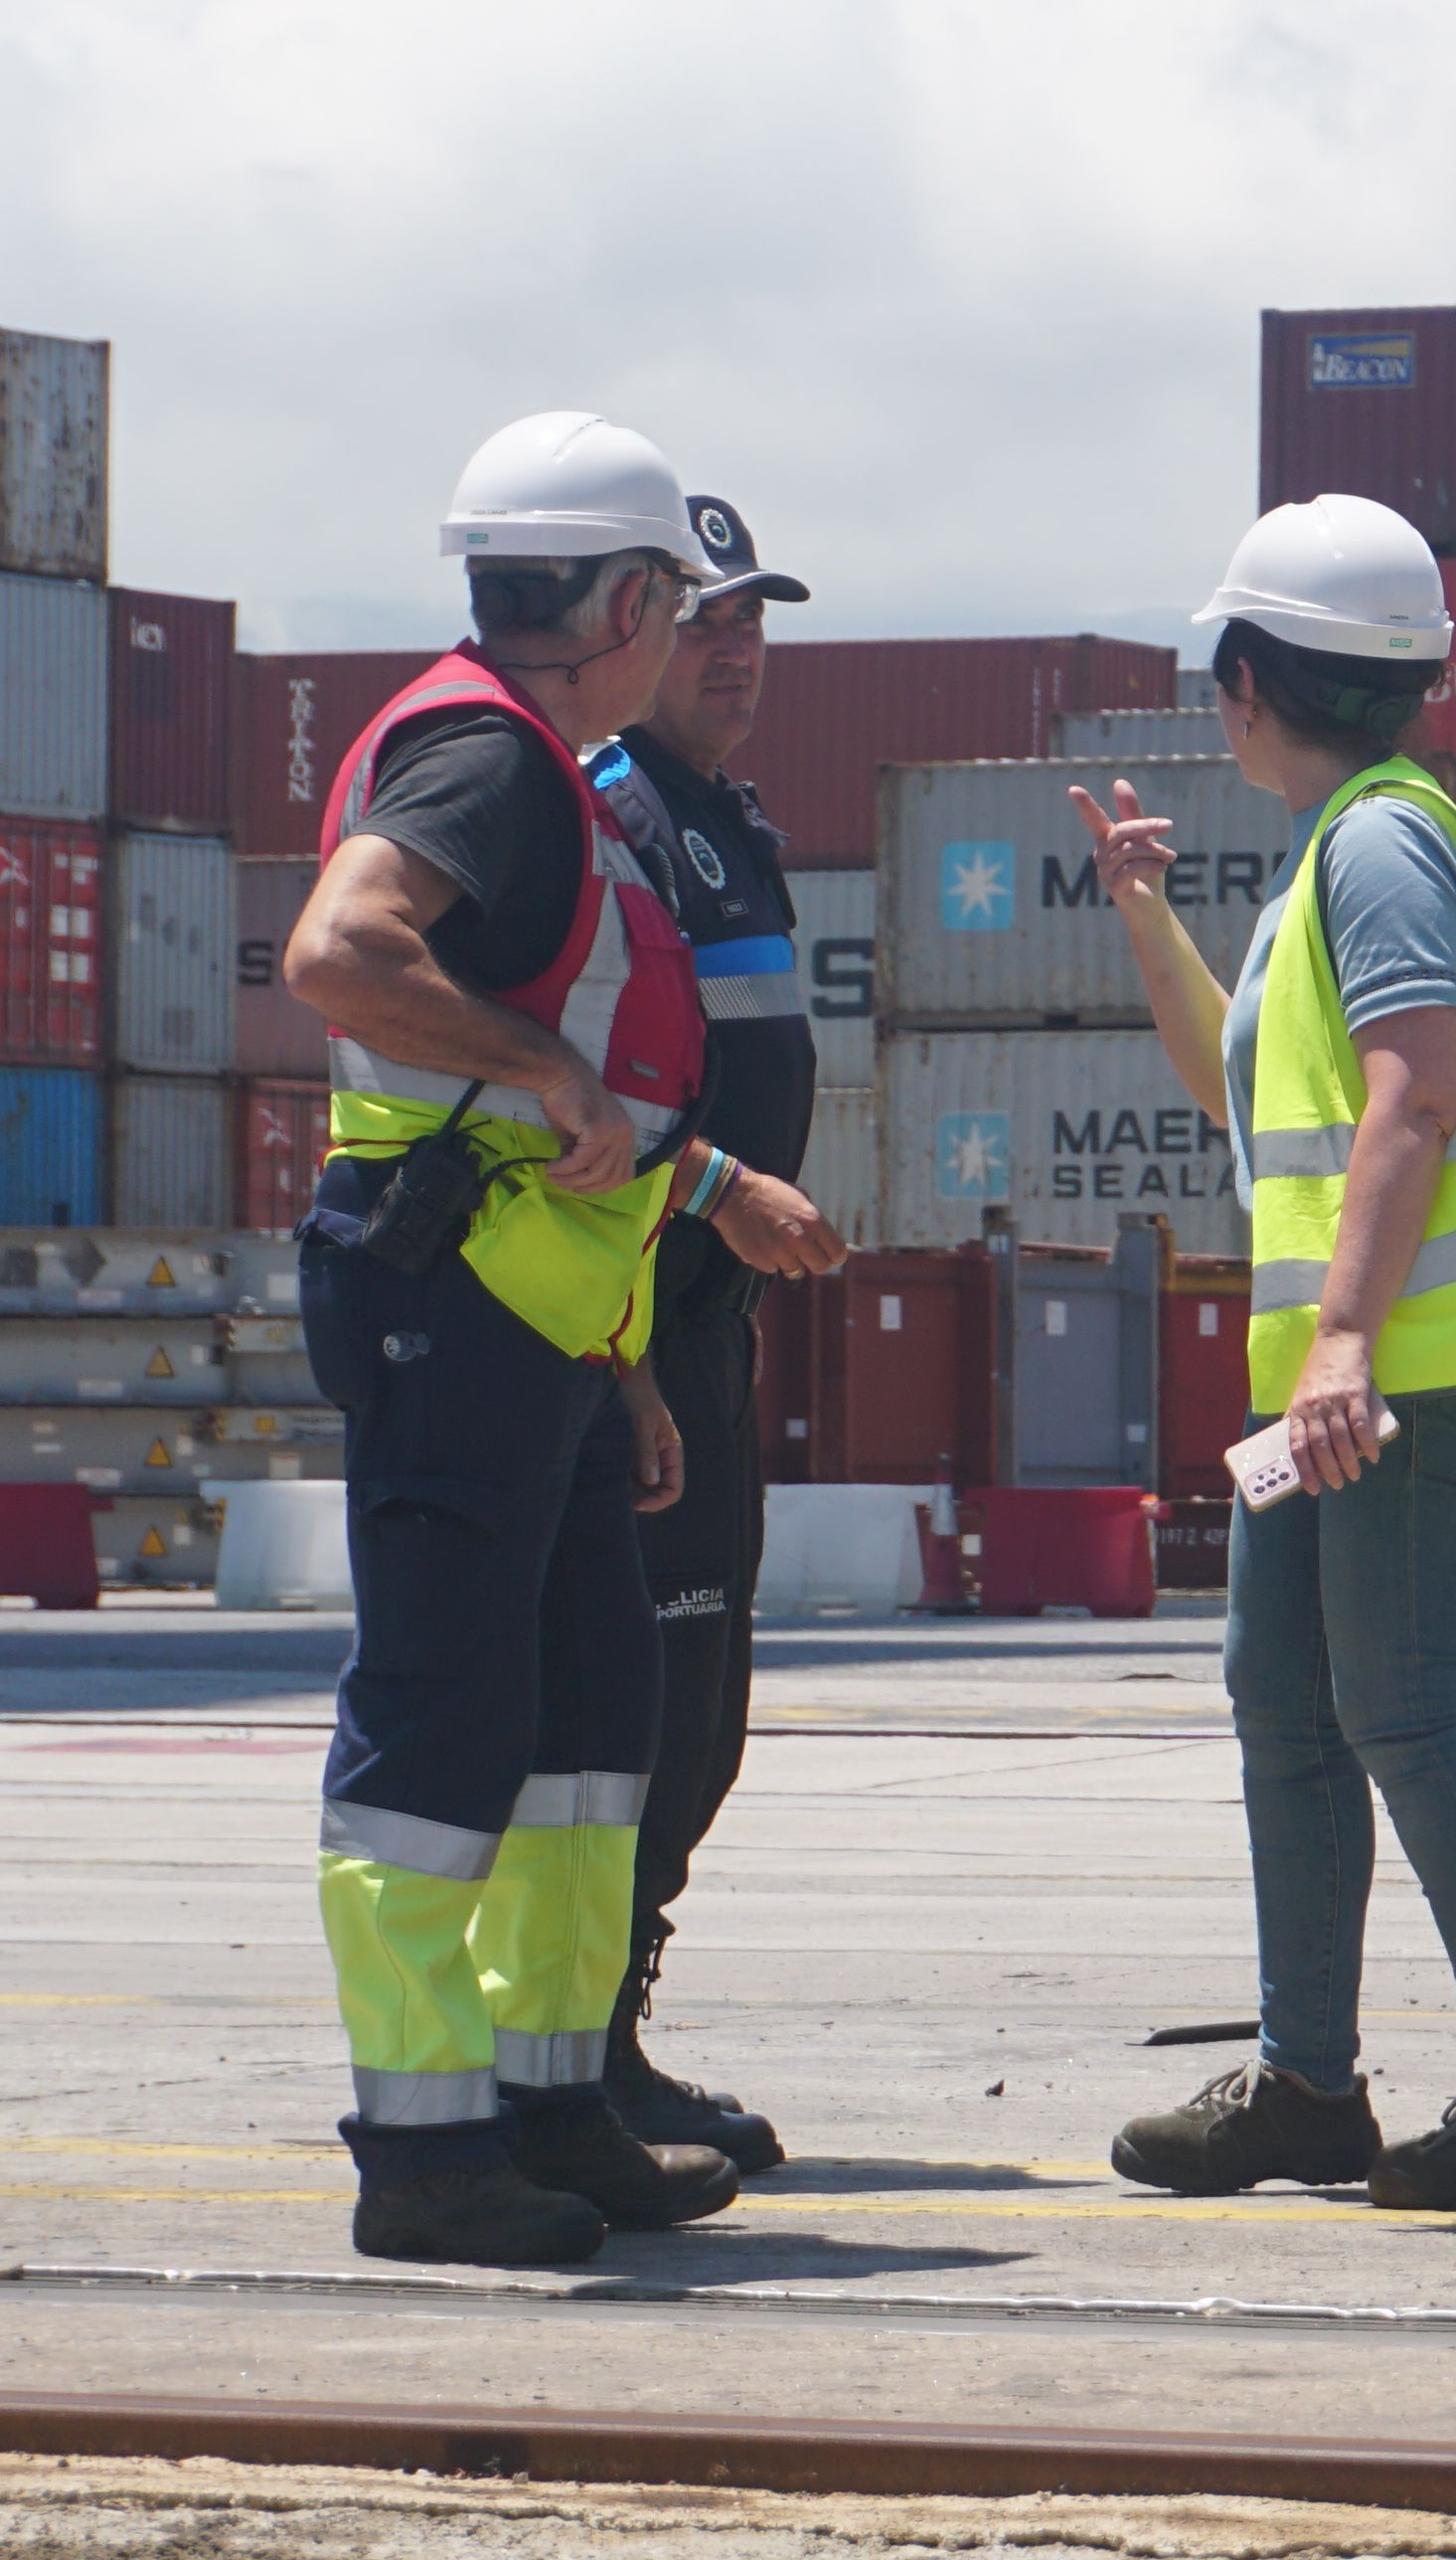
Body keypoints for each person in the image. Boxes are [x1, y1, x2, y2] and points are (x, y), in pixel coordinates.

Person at [1090, 493, 1456, 2213]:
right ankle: (1307, 2085)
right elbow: (1247, 1097)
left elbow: (1416, 1090)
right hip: (1344, 1378)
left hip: (1412, 1364)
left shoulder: (1387, 844)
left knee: (1401, 1713)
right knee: (1280, 1694)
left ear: (1253, 673)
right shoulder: (1332, 849)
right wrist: (1146, 918)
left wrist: (1341, 1340)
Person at [277, 410, 741, 2269]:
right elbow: (338, 951)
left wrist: (620, 1364)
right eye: (676, 600)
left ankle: (553, 2099)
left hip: (532, 1320)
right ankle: (426, 2147)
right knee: (452, 1713)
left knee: (586, 1715)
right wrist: (542, 1061)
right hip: (444, 1308)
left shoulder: (537, 754)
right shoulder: (490, 756)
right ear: (624, 595)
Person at [585, 493, 856, 2174]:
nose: (740, 647)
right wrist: (707, 1212)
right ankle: (580, 2047)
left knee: (703, 1702)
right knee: (645, 1701)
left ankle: (610, 2026)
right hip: (632, 1319)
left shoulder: (724, 821)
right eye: (706, 618)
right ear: (630, 629)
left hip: (707, 1319)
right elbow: (587, 1096)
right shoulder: (610, 814)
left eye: (757, 617)